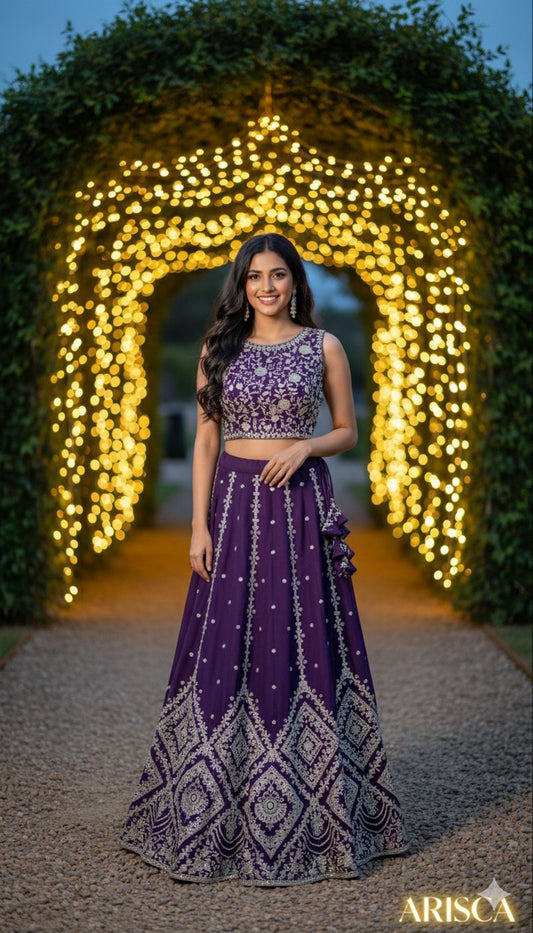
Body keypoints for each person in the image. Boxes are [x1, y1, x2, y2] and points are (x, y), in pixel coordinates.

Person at [121, 232, 408, 885]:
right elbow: (204, 441)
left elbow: (346, 429)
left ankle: (322, 810)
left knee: (302, 642)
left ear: (294, 282)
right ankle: (213, 807)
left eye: (279, 275)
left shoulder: (322, 345)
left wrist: (304, 449)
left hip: (298, 503)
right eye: (256, 276)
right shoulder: (217, 348)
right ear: (242, 284)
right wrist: (196, 526)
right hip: (231, 504)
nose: (268, 286)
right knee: (227, 644)